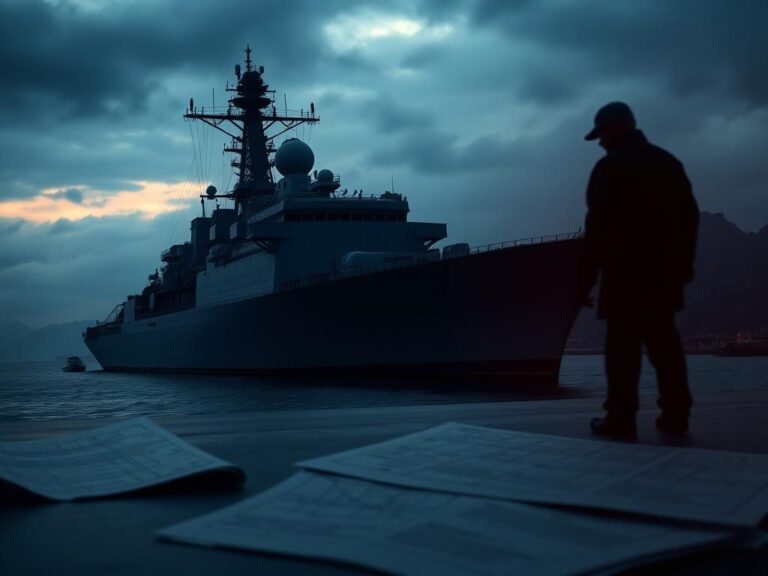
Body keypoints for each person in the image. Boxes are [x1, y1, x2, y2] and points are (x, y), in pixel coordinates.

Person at [578, 102, 699, 439]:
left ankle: (621, 417)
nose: (600, 142)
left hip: (623, 276)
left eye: (601, 135)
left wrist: (584, 282)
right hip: (663, 275)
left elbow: (597, 231)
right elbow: (690, 219)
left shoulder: (608, 169)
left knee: (622, 350)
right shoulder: (668, 164)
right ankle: (676, 416)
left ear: (614, 129)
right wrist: (685, 265)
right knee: (666, 346)